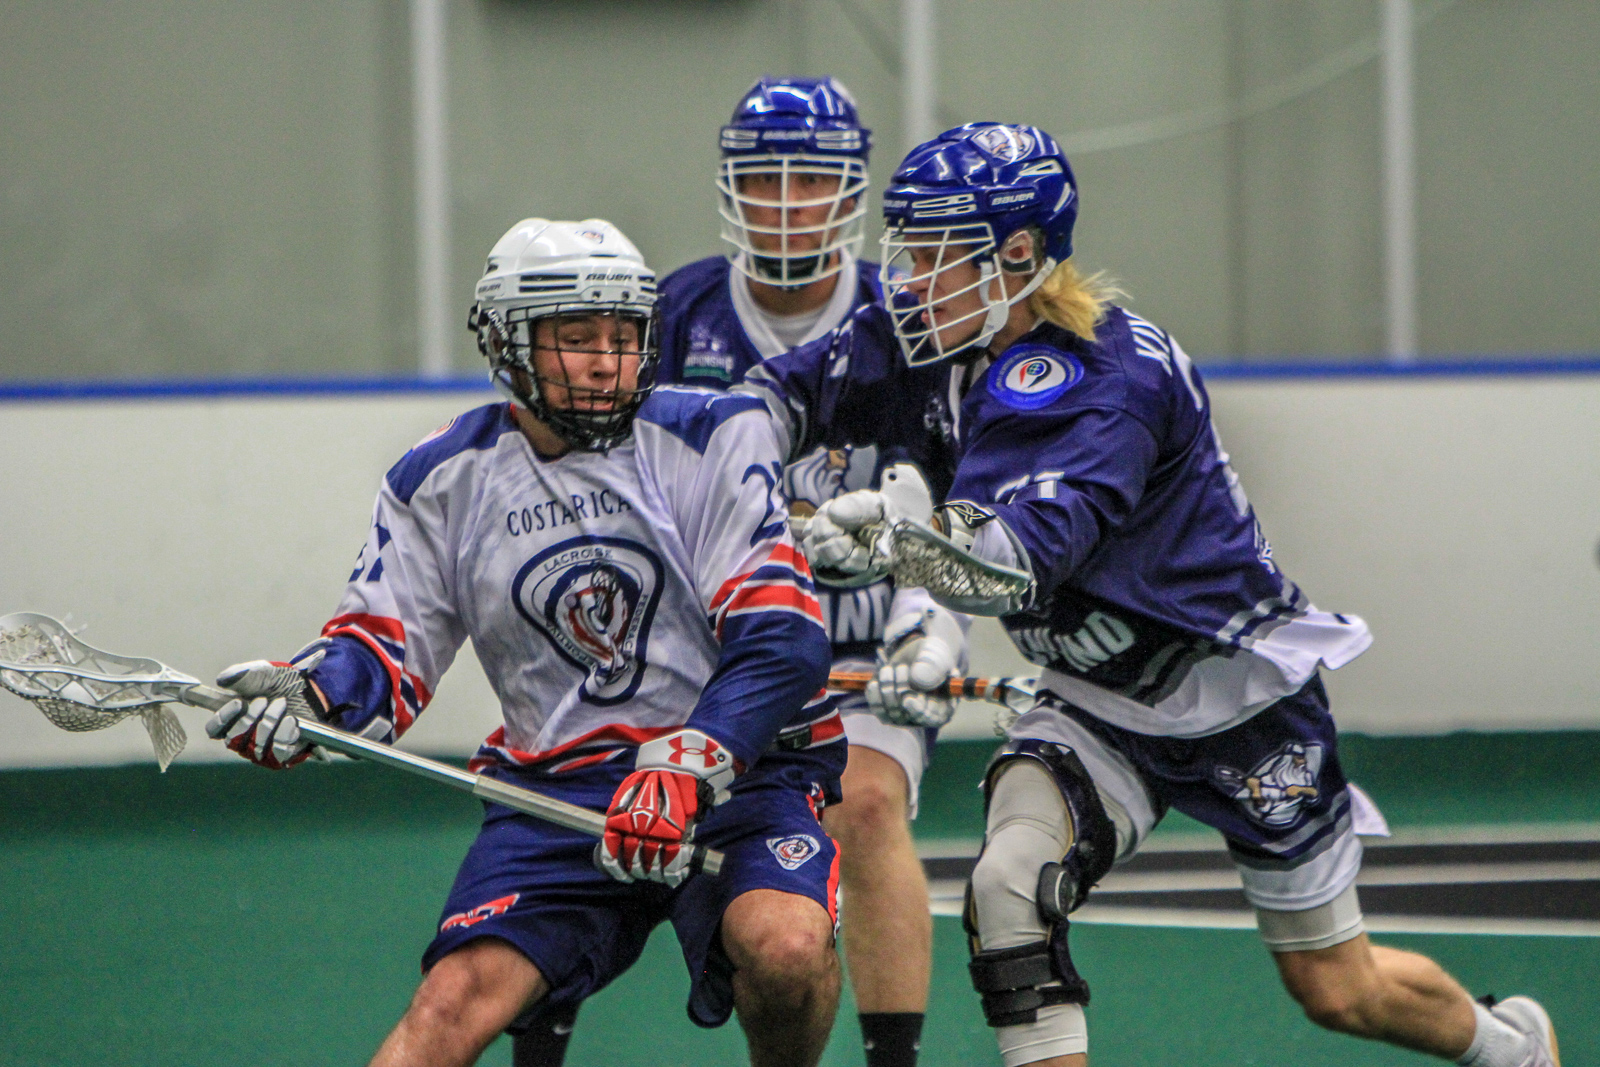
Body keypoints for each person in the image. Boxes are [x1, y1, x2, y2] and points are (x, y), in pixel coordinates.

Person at [745, 123, 1561, 1067]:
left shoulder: (1111, 381)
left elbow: (1017, 560)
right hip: (1094, 700)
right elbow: (774, 399)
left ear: (1019, 254)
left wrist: (893, 549)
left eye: (937, 253)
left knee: (1339, 987)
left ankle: (1509, 1047)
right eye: (909, 249)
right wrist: (723, 478)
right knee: (1008, 887)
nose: (910, 278)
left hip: (1233, 697)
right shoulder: (923, 336)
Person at [205, 218, 847, 1067]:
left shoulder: (713, 434)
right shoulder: (442, 478)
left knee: (788, 947)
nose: (606, 361)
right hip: (559, 788)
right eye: (576, 338)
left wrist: (688, 763)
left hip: (738, 772)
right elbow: (382, 645)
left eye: (622, 337)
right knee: (448, 1004)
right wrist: (315, 693)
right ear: (508, 343)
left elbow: (783, 639)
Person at [658, 76, 960, 1067]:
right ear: (730, 190)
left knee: (862, 803)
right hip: (721, 654)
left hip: (864, 648)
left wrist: (925, 628)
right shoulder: (674, 315)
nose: (786, 204)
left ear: (852, 192)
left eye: (811, 180)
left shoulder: (906, 319)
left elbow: (949, 500)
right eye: (764, 180)